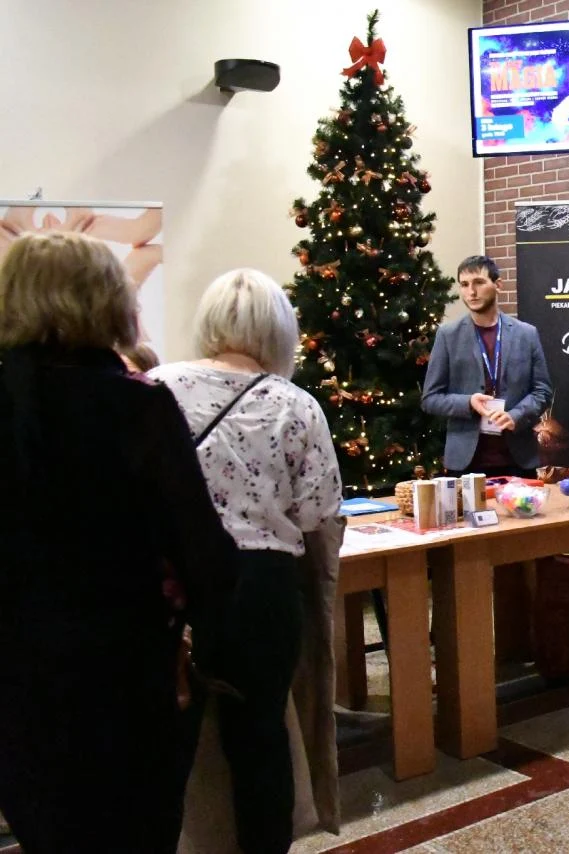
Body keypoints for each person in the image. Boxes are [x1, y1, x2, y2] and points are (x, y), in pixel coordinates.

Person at [0, 232, 238, 852]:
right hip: (124, 674)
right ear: (106, 301)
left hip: (17, 679)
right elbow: (206, 557)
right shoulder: (136, 407)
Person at [150, 269, 342, 854]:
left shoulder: (158, 388)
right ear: (279, 330)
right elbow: (317, 509)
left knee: (166, 745)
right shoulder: (296, 404)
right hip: (263, 588)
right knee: (260, 740)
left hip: (175, 584)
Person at [422, 255, 553, 478]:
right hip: (466, 463)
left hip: (518, 460)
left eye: (479, 282)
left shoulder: (526, 334)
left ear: (498, 285)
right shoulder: (448, 335)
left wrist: (516, 415)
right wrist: (468, 403)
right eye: (464, 285)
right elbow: (430, 399)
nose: (471, 292)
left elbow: (543, 391)